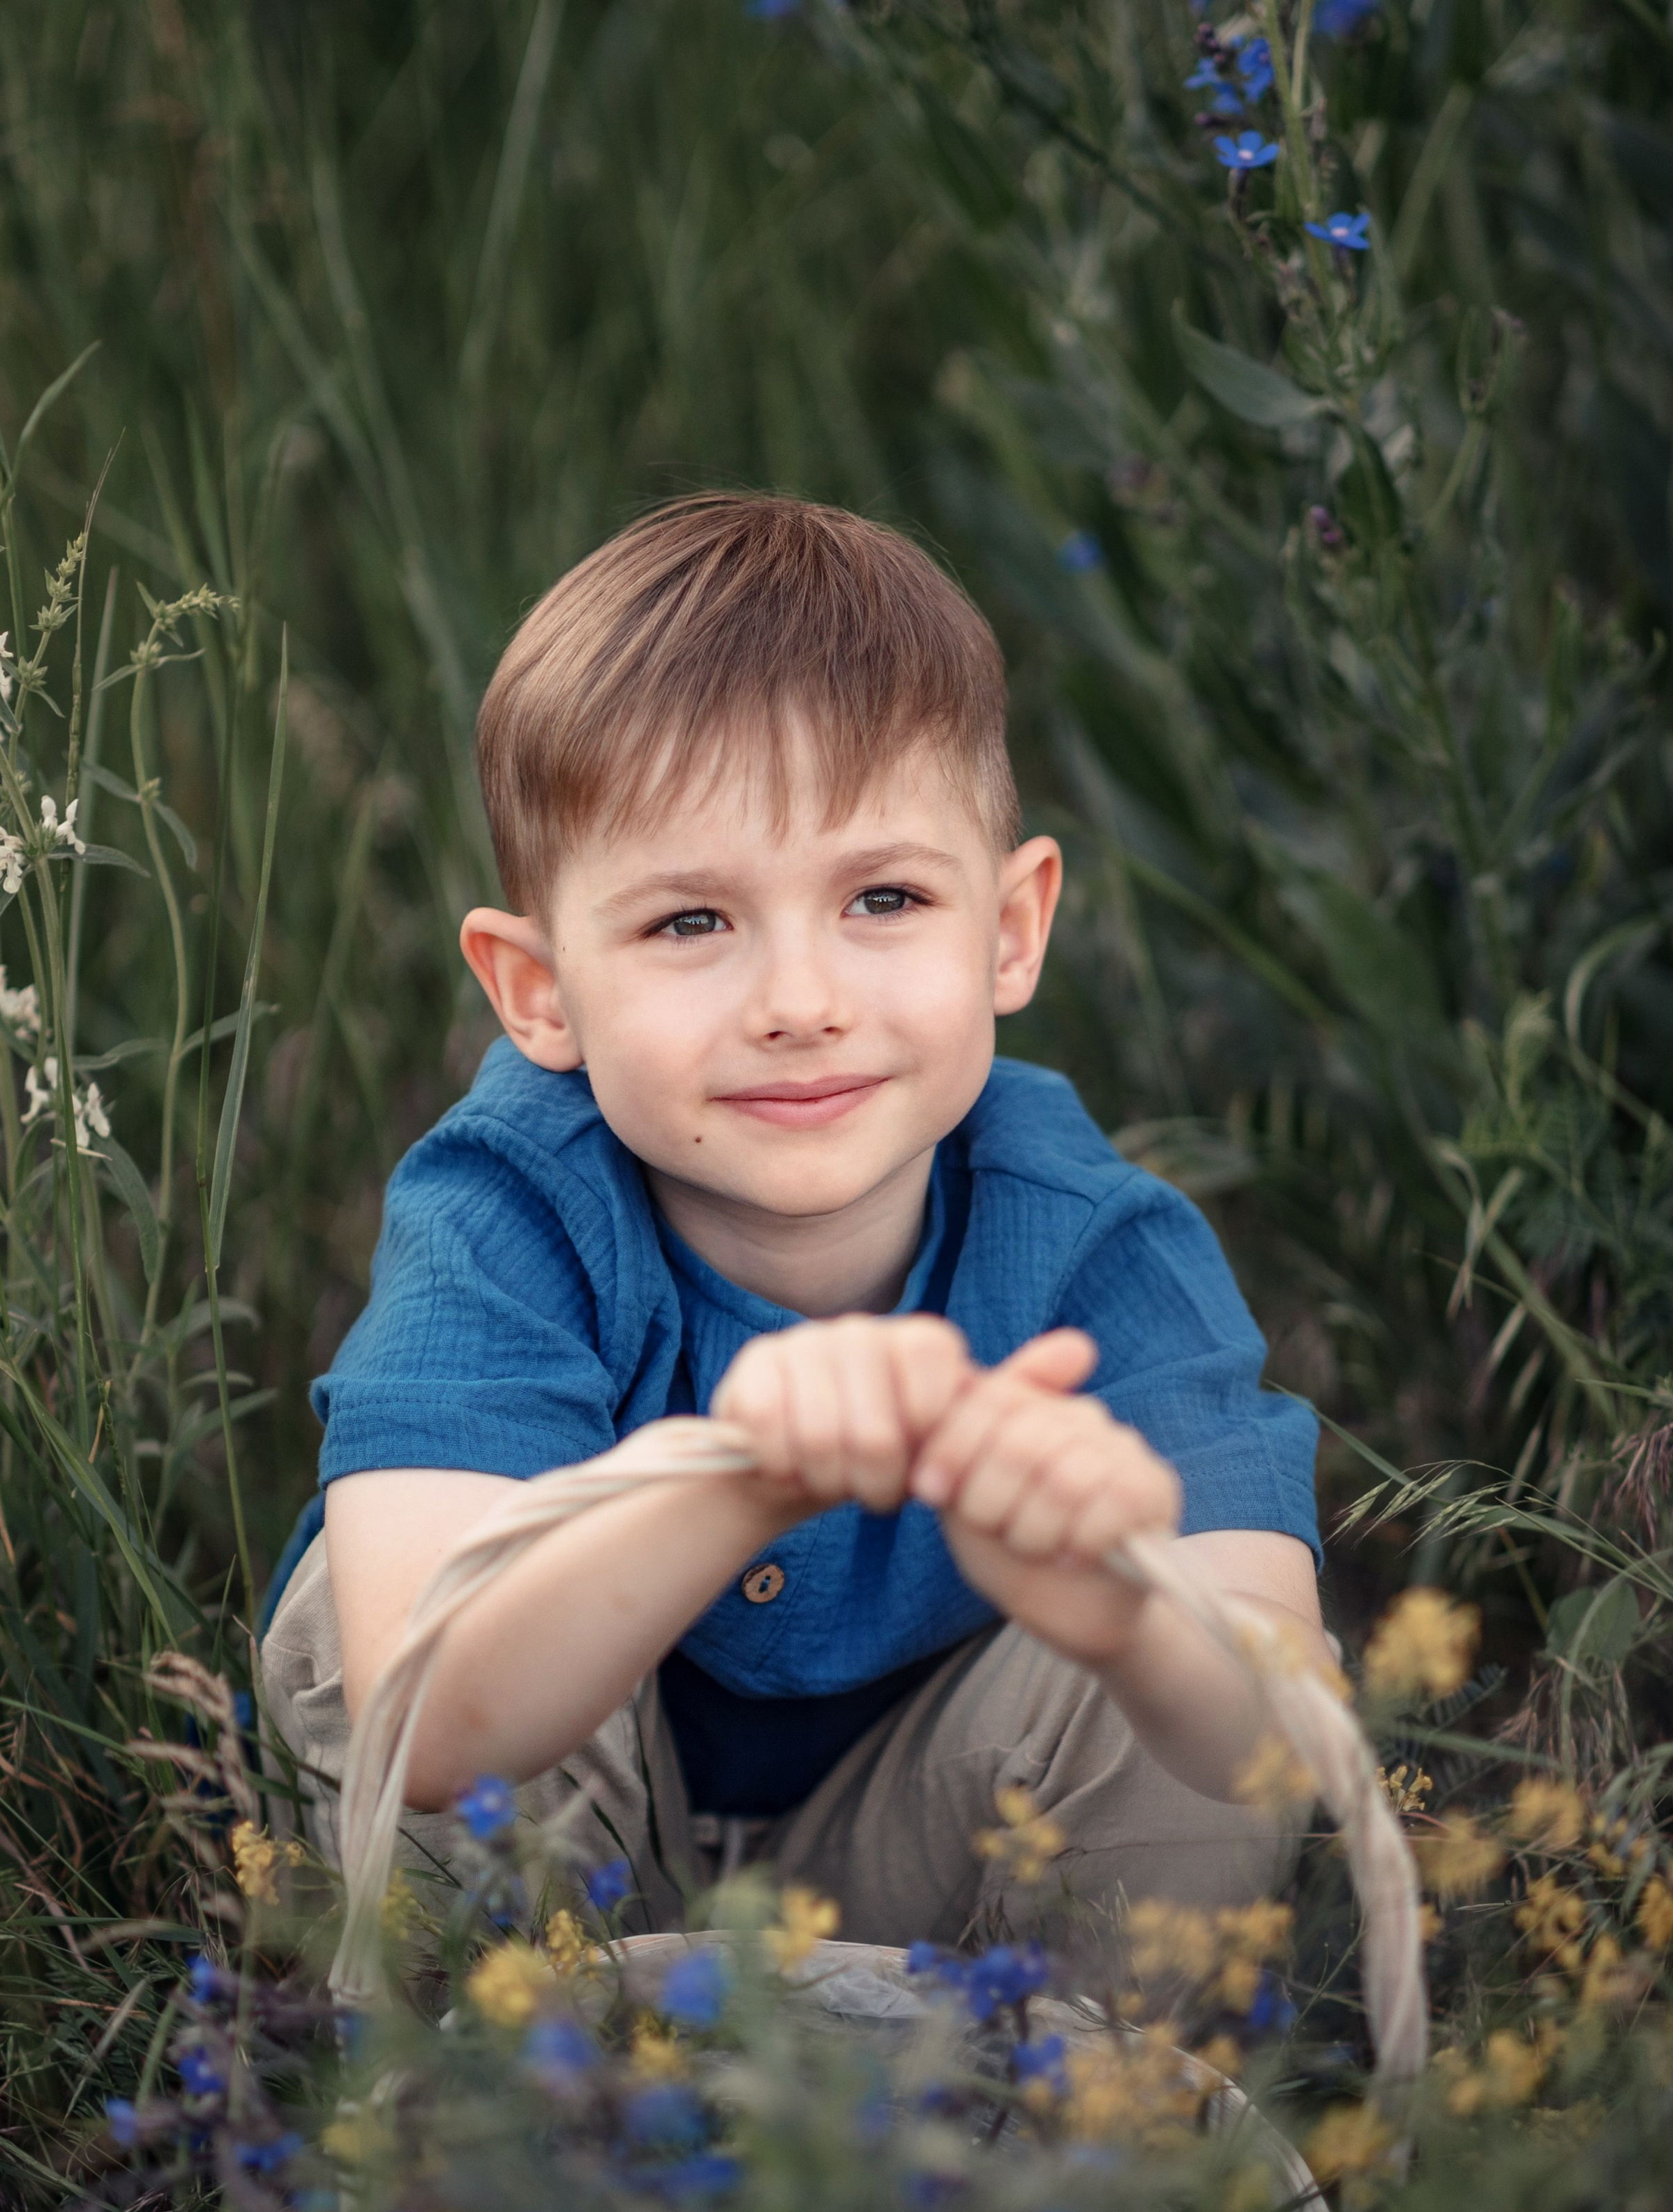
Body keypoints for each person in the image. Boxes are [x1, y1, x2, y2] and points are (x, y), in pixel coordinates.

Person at [261, 493, 1324, 1985]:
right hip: (578, 1865)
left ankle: (1080, 2147)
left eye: (882, 897)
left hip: (933, 1865)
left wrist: (1127, 1619)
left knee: (1182, 1631)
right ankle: (509, 2113)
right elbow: (427, 1721)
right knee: (371, 1603)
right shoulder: (509, 1209)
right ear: (537, 990)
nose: (798, 998)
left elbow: (1280, 1744)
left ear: (1008, 930)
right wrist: (746, 1481)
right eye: (690, 923)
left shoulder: (1094, 1247)